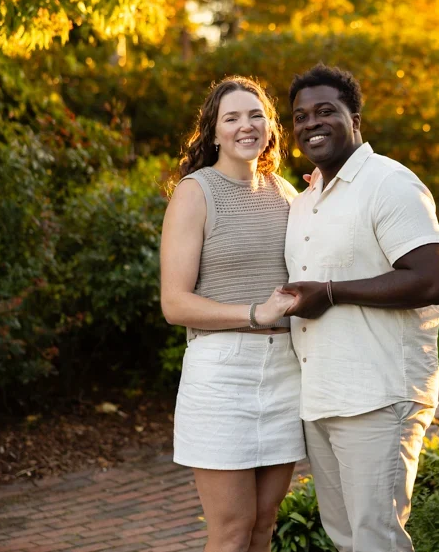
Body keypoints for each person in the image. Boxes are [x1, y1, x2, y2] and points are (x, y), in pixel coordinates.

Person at [280, 64, 439, 552]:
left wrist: (331, 292)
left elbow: (429, 279)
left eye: (325, 111)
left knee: (377, 540)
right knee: (347, 539)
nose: (311, 122)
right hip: (322, 395)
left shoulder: (389, 183)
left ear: (355, 118)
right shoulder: (307, 199)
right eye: (301, 116)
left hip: (378, 393)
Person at [160, 76, 304, 552]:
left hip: (285, 371)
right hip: (221, 375)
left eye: (256, 114)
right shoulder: (196, 192)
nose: (247, 125)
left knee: (264, 524)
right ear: (214, 132)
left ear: (271, 127)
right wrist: (255, 313)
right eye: (232, 117)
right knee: (231, 529)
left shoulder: (287, 194)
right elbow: (174, 303)